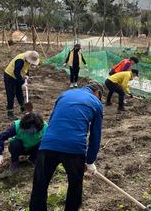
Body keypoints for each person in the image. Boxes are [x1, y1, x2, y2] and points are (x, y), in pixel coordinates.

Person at [29, 81, 104, 211]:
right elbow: (95, 135)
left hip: (48, 144)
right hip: (74, 148)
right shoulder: (96, 102)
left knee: (40, 184)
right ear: (97, 93)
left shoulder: (65, 94)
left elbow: (52, 120)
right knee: (75, 186)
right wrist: (90, 161)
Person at [4, 51, 39, 120]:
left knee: (19, 92)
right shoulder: (20, 60)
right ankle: (10, 113)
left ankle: (23, 108)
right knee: (11, 94)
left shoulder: (28, 60)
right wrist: (22, 82)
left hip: (18, 76)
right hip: (10, 76)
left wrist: (27, 76)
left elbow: (26, 68)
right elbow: (16, 72)